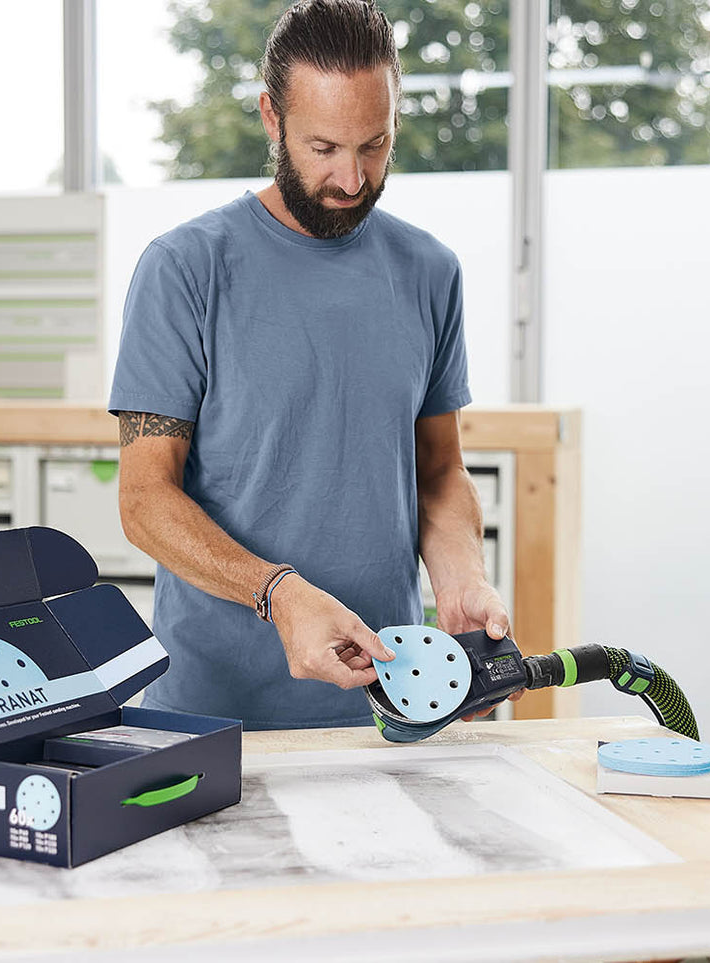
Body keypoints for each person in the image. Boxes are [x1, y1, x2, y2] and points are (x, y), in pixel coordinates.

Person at [109, 0, 513, 730]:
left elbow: (438, 472)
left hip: (389, 708)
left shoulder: (429, 271)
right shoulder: (185, 269)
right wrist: (279, 593)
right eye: (324, 147)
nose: (352, 179)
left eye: (375, 145)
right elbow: (144, 500)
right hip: (215, 718)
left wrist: (461, 581)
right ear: (272, 117)